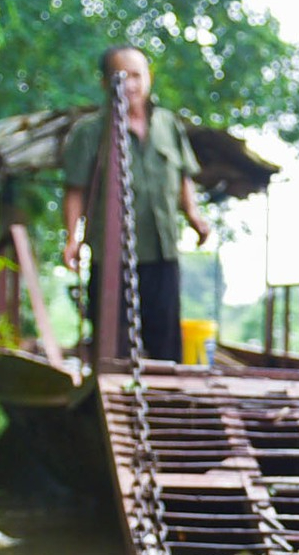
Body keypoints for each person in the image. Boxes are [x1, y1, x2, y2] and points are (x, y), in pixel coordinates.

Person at [59, 45, 212, 362]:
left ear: (149, 78)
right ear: (105, 83)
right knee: (111, 341)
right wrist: (72, 238)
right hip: (111, 254)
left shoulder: (168, 126)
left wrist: (194, 216)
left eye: (136, 75)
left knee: (165, 336)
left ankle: (168, 400)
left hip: (161, 248)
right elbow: (75, 189)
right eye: (121, 76)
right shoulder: (89, 133)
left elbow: (184, 175)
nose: (130, 84)